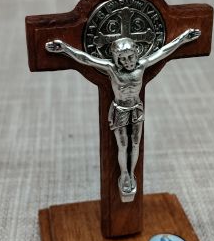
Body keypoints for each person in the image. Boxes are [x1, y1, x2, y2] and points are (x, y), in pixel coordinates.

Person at [45, 28, 201, 201]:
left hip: (136, 108)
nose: (128, 62)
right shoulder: (112, 69)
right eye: (123, 59)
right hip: (120, 110)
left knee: (135, 143)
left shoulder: (142, 65)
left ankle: (132, 173)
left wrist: (183, 38)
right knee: (123, 145)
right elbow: (86, 59)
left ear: (137, 53)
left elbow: (164, 51)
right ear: (117, 59)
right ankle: (124, 174)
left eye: (131, 57)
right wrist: (65, 48)